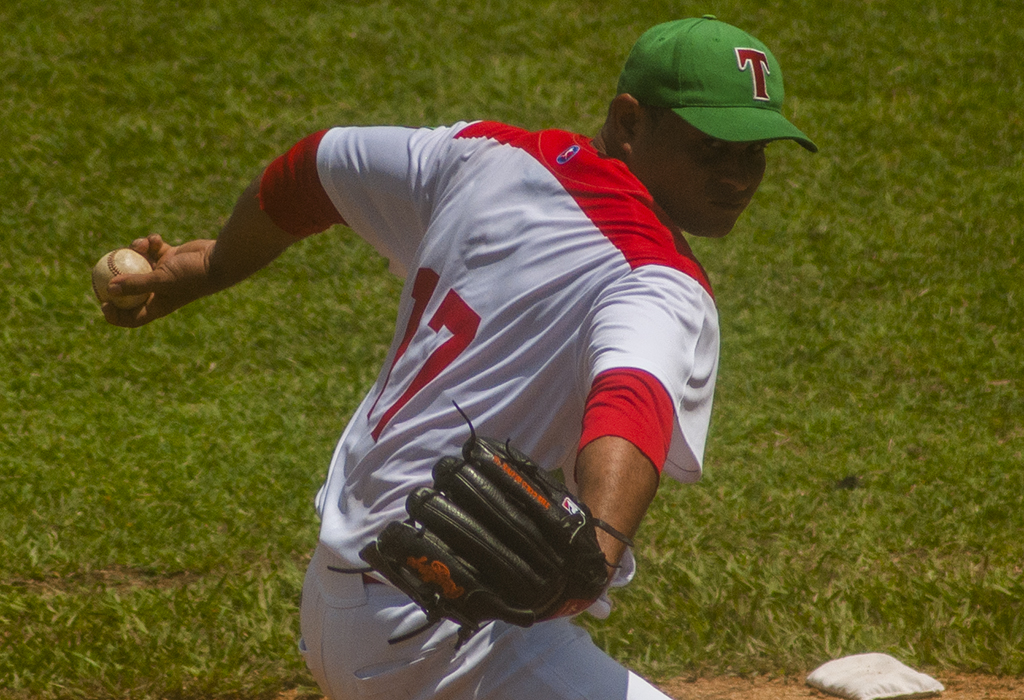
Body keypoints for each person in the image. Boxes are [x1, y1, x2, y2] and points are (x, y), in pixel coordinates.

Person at [101, 15, 815, 700]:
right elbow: (632, 399)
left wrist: (213, 265)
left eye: (754, 152)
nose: (739, 176)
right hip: (445, 641)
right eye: (712, 149)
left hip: (335, 603)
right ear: (628, 121)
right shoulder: (657, 279)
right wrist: (595, 551)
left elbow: (311, 166)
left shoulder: (484, 156)